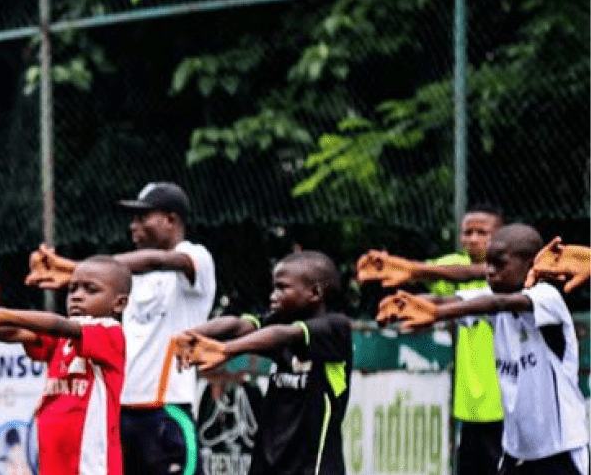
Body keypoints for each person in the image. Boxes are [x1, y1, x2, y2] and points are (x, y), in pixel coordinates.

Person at [25, 182, 215, 475]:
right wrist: (82, 275)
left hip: (166, 409)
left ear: (171, 219)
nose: (133, 225)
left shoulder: (195, 257)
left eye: (143, 217)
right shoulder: (129, 279)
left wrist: (77, 266)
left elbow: (159, 260)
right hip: (120, 409)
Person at [378, 225, 589, 475]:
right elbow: (454, 300)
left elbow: (497, 304)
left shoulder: (547, 298)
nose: (489, 271)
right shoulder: (492, 296)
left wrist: (437, 314)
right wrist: (406, 304)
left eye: (499, 264)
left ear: (530, 264)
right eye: (487, 264)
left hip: (560, 451)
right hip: (517, 452)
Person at [171, 251, 352, 475]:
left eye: (282, 288)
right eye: (273, 287)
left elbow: (284, 335)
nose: (273, 296)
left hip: (312, 465)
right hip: (268, 459)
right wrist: (190, 335)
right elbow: (238, 325)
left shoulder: (335, 328)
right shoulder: (280, 320)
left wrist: (227, 350)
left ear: (315, 292)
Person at [356, 205, 505, 475]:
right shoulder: (456, 265)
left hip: (505, 401)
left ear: (501, 236)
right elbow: (440, 280)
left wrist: (414, 270)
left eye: (482, 232)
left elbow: (469, 273)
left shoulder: (512, 276)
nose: (472, 238)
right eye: (467, 232)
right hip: (469, 402)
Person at [0, 255, 131, 475]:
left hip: (92, 463)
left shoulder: (110, 333)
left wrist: (1, 314)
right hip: (52, 458)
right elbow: (16, 333)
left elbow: (57, 325)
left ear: (119, 303)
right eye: (72, 289)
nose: (77, 296)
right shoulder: (62, 338)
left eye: (90, 290)